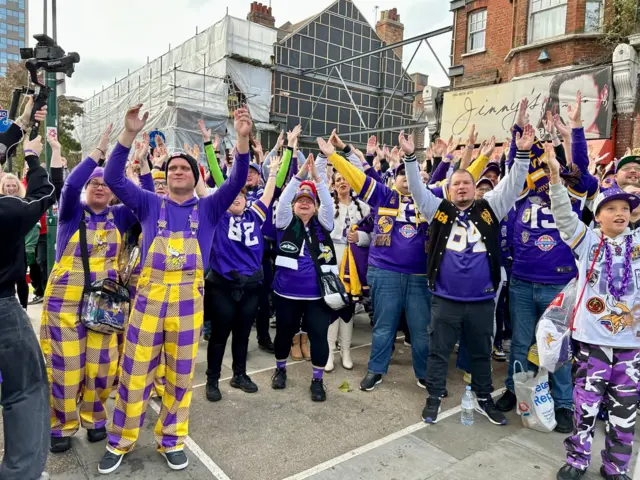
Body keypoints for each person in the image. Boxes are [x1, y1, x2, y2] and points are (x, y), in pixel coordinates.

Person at [99, 104, 250, 474]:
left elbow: (236, 180)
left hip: (187, 306)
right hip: (148, 303)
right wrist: (129, 133)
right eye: (173, 168)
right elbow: (116, 178)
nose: (178, 171)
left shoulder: (211, 207)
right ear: (165, 175)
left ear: (195, 175)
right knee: (133, 374)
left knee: (181, 377)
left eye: (185, 168)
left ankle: (172, 440)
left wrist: (243, 139)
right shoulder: (150, 203)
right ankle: (120, 441)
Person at [403, 122, 531, 426]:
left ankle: (484, 398)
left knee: (480, 353)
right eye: (456, 184)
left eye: (467, 183)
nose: (462, 187)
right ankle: (434, 396)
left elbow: (513, 185)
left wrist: (522, 154)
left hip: (481, 300)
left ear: (475, 188)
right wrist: (410, 159)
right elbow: (418, 190)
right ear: (448, 190)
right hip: (446, 299)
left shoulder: (490, 209)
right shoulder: (440, 211)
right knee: (439, 352)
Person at [496, 94, 599, 434]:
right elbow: (515, 163)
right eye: (540, 161)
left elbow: (581, 170)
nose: (544, 166)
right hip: (523, 281)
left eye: (549, 162)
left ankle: (564, 403)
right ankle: (515, 390)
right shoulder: (522, 190)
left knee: (558, 346)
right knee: (522, 341)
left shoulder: (572, 192)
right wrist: (519, 124)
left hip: (560, 284)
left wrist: (576, 129)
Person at [39, 124, 145, 454]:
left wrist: (136, 168)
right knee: (66, 368)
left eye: (104, 184)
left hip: (105, 305)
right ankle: (62, 424)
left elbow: (146, 203)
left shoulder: (121, 216)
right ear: (86, 189)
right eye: (94, 183)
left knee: (101, 368)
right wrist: (99, 149)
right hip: (65, 304)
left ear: (113, 191)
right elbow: (69, 183)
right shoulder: (71, 212)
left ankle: (95, 418)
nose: (99, 187)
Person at [546, 144, 640, 480]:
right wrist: (556, 179)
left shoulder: (639, 244)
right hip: (591, 343)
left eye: (625, 208)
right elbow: (563, 216)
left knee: (625, 413)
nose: (619, 213)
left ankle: (616, 467)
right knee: (584, 407)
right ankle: (577, 460)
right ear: (597, 215)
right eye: (611, 207)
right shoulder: (587, 242)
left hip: (631, 347)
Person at [0, 99, 53, 480]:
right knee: (25, 393)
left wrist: (19, 126)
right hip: (3, 311)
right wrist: (33, 157)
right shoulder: (9, 211)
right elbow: (43, 195)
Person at [205, 155, 281, 402]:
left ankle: (240, 375)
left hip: (250, 287)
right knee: (218, 336)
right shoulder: (216, 214)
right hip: (223, 286)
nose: (237, 196)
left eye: (242, 193)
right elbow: (201, 188)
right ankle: (212, 379)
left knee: (242, 334)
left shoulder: (254, 215)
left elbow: (268, 195)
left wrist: (273, 172)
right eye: (232, 194)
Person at [271, 152, 334, 402]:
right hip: (286, 292)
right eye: (300, 200)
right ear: (293, 206)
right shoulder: (285, 222)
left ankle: (318, 380)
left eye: (310, 200)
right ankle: (280, 370)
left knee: (318, 336)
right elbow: (285, 197)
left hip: (318, 295)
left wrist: (318, 179)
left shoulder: (324, 224)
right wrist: (298, 178)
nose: (305, 203)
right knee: (284, 335)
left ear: (315, 205)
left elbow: (328, 203)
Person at [0, 173, 30, 310]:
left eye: (13, 185)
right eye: (7, 185)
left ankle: (24, 307)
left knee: (21, 277)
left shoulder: (23, 202)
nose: (11, 188)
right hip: (4, 245)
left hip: (19, 244)